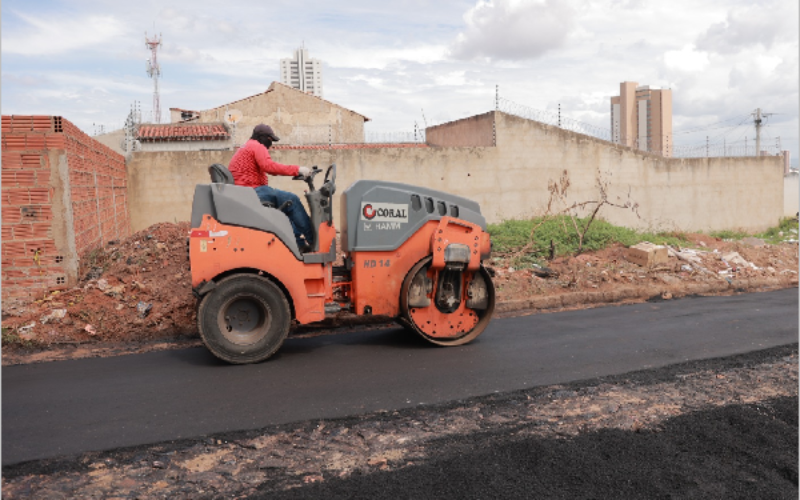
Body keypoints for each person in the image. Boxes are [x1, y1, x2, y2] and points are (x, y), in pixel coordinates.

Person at [228, 124, 314, 252]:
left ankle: (299, 243)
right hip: (253, 191)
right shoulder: (257, 146)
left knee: (284, 208)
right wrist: (298, 170)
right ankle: (314, 241)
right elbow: (269, 167)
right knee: (292, 200)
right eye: (270, 140)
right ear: (262, 137)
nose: (271, 144)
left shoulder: (246, 146)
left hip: (245, 192)